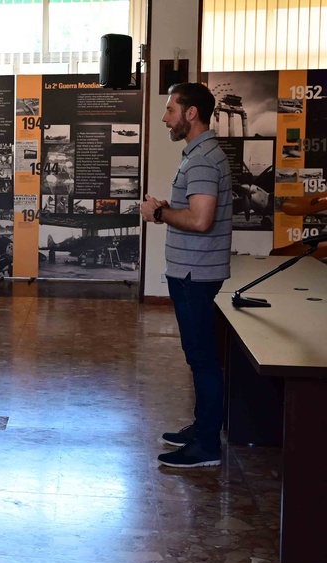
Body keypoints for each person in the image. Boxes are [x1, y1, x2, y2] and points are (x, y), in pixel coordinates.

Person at [140, 82, 232, 469]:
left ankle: (207, 446)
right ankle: (203, 428)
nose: (165, 118)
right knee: (199, 357)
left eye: (170, 110)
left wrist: (159, 214)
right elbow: (195, 211)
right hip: (191, 271)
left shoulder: (203, 160)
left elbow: (200, 219)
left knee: (202, 359)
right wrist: (167, 207)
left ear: (191, 113)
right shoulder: (197, 154)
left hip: (195, 273)